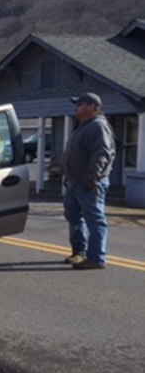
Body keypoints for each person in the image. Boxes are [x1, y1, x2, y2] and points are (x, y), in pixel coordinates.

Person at [61, 92, 115, 270]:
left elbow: (102, 153)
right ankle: (79, 252)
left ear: (93, 107)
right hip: (74, 182)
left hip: (89, 182)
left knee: (95, 219)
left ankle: (97, 258)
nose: (77, 107)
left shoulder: (98, 126)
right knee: (74, 217)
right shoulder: (82, 125)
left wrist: (92, 177)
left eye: (80, 104)